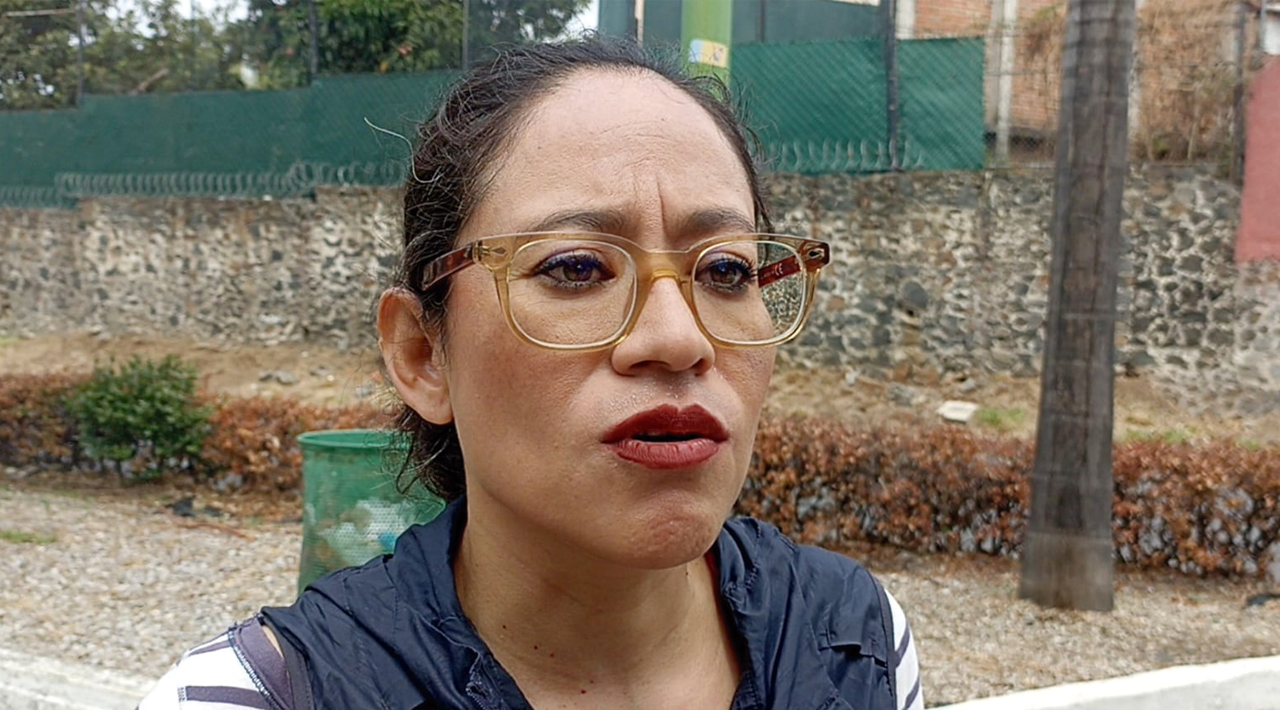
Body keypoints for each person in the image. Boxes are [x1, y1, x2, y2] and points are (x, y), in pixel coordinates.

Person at [137, 37, 922, 710]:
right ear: (422, 353)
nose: (678, 340)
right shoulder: (258, 695)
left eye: (725, 271)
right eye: (576, 267)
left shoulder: (857, 644)